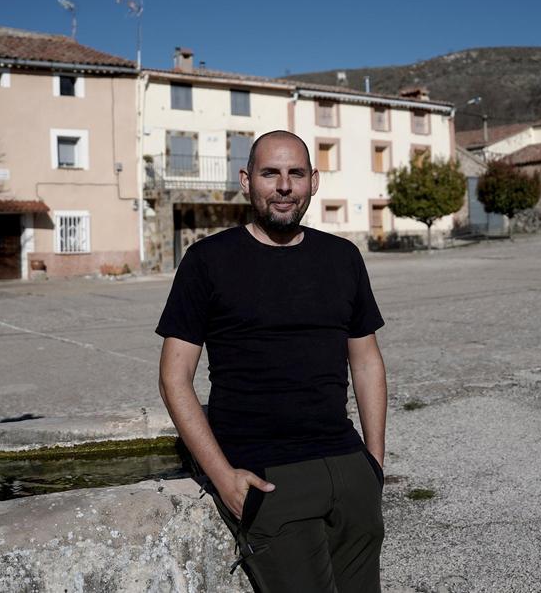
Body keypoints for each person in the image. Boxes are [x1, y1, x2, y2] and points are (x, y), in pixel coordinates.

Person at [157, 129, 388, 593]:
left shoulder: (343, 257)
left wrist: (373, 465)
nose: (284, 185)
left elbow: (366, 362)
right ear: (246, 181)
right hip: (267, 479)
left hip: (348, 467)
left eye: (295, 173)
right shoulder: (208, 260)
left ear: (313, 182)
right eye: (270, 173)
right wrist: (223, 479)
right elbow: (174, 378)